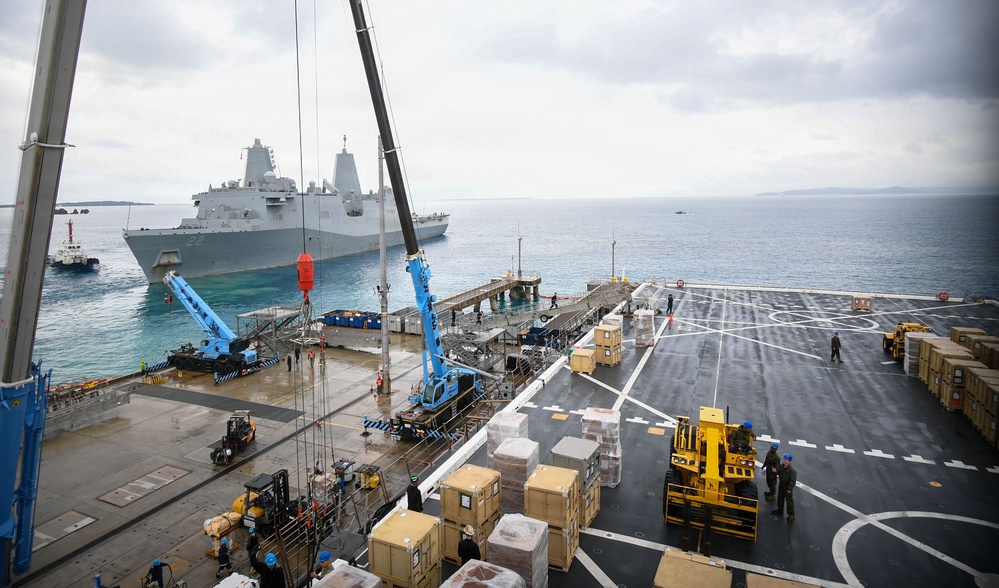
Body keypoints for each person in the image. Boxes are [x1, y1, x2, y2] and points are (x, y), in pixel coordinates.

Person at [771, 453, 797, 521]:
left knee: (789, 501)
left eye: (785, 459)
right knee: (780, 498)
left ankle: (791, 515)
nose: (784, 461)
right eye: (784, 459)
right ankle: (780, 509)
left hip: (787, 486)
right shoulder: (781, 466)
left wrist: (789, 488)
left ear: (789, 461)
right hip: (781, 484)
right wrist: (775, 472)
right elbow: (778, 472)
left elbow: (792, 481)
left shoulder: (792, 471)